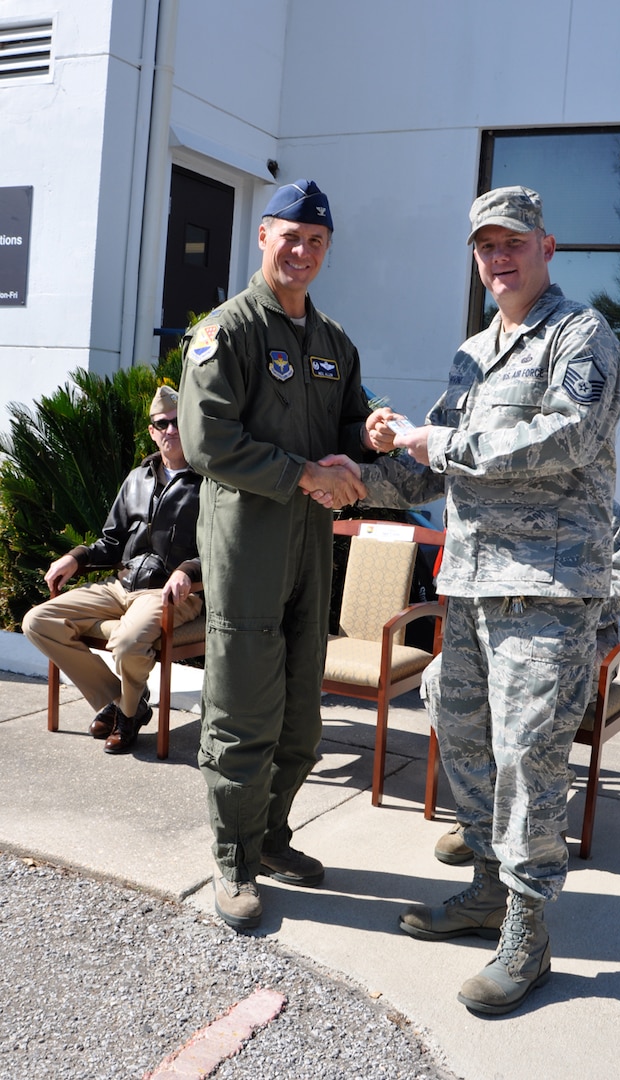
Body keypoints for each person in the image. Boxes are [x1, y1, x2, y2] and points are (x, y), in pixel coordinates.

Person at [327, 185, 620, 1014]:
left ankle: (528, 941)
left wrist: (441, 440)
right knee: (457, 724)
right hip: (469, 583)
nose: (497, 259)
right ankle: (491, 891)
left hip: (546, 587)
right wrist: (352, 480)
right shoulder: (471, 354)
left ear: (546, 248)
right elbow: (427, 466)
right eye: (484, 247)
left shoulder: (581, 335)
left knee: (529, 756)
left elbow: (569, 435)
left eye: (512, 244)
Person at [177, 179, 389, 932]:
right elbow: (207, 442)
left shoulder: (333, 341)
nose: (301, 252)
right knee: (242, 710)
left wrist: (376, 431)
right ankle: (232, 857)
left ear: (326, 252)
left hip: (311, 547)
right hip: (248, 545)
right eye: (289, 237)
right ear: (262, 237)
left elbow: (351, 420)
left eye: (316, 242)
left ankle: (271, 835)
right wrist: (306, 474)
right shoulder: (225, 332)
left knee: (300, 714)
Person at [430, 499, 620, 866]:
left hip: (578, 637)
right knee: (438, 678)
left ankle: (536, 820)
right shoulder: (506, 499)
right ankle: (479, 816)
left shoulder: (603, 508)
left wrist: (559, 607)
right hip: (500, 632)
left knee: (540, 686)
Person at [22, 386, 202, 754]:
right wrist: (76, 557)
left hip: (172, 593)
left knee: (126, 642)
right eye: (162, 424)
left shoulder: (209, 483)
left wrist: (187, 570)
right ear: (152, 431)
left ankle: (126, 713)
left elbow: (222, 550)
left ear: (191, 426)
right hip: (121, 587)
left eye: (177, 423)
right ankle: (124, 705)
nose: (170, 430)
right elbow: (112, 540)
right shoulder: (138, 478)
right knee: (37, 622)